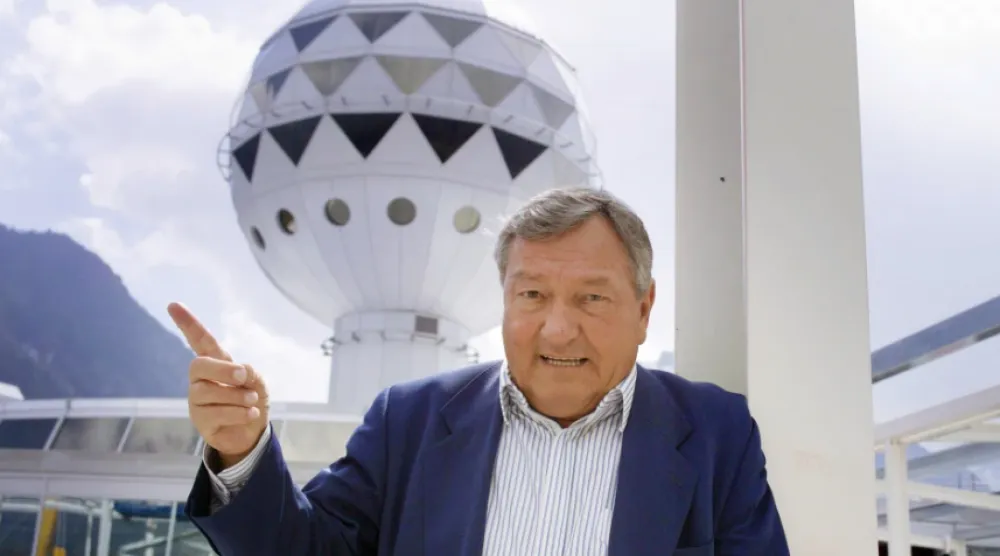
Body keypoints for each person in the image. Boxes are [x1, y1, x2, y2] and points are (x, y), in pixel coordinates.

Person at [171, 187, 789, 555]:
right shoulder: (407, 422)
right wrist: (242, 451)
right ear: (504, 298)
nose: (556, 328)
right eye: (532, 296)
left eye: (592, 298)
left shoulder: (715, 432)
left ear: (644, 307)